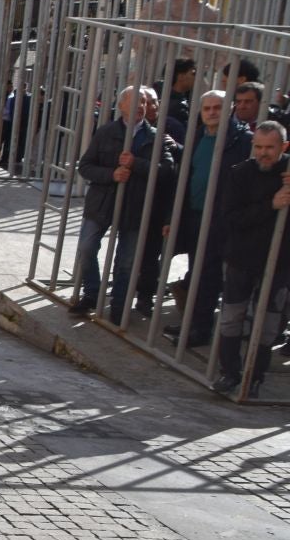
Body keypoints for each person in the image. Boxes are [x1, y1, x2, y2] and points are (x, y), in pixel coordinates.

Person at [161, 88, 252, 348]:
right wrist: (173, 216)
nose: (212, 113)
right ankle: (193, 323)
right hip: (194, 214)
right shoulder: (198, 136)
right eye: (207, 108)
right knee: (196, 271)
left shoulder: (242, 140)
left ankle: (201, 329)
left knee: (208, 275)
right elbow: (184, 177)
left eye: (218, 108)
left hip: (221, 219)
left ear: (230, 109)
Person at [212, 120, 290, 396]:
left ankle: (255, 377)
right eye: (258, 147)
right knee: (232, 317)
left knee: (268, 324)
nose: (263, 153)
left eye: (270, 148)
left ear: (284, 147)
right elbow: (232, 217)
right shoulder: (241, 173)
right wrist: (271, 204)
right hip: (241, 258)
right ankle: (230, 373)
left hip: (280, 262)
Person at [70, 85, 156, 317]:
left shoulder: (155, 137)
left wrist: (136, 164)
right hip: (102, 203)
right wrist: (111, 174)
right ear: (121, 106)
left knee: (126, 262)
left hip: (135, 207)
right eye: (134, 101)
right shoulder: (106, 132)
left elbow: (165, 170)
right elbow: (85, 166)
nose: (139, 106)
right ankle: (92, 293)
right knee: (86, 248)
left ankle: (118, 307)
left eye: (143, 102)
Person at [103, 86, 181, 325]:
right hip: (119, 203)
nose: (146, 106)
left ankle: (138, 300)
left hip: (155, 204)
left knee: (144, 257)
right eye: (142, 101)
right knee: (119, 255)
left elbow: (169, 169)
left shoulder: (166, 132)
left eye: (151, 102)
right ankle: (110, 296)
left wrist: (137, 163)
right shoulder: (116, 130)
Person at [166, 58, 198, 141]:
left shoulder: (164, 96)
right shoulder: (178, 106)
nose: (196, 77)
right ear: (181, 77)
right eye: (193, 73)